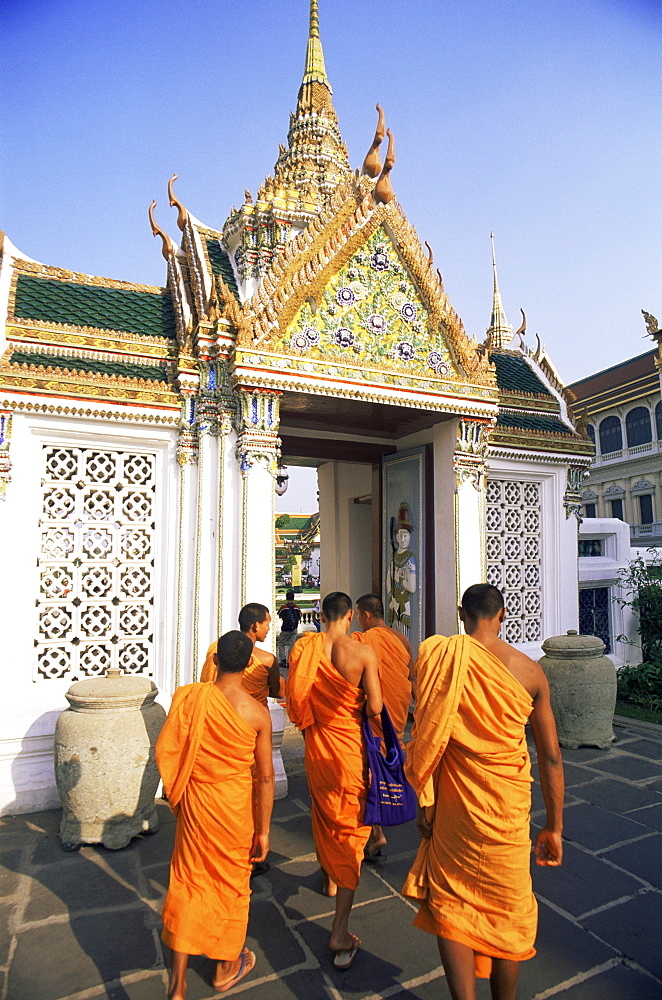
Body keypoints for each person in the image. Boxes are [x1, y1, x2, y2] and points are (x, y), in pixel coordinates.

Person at [402, 584, 564, 1000]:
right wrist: (555, 827)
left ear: (462, 613)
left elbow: (429, 737)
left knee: (452, 900)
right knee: (508, 908)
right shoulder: (530, 672)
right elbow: (551, 759)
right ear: (503, 615)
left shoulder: (440, 657)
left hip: (456, 808)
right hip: (506, 813)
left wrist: (426, 803)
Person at [156, 631, 274, 1000]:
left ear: (216, 660)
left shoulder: (191, 697)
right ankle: (225, 966)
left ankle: (178, 983)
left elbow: (168, 748)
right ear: (250, 664)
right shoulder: (256, 713)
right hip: (233, 809)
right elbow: (266, 776)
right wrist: (265, 830)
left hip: (196, 804)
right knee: (232, 886)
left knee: (188, 882)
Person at [286, 591, 382, 970]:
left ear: (321, 615)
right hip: (347, 748)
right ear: (351, 617)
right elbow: (374, 706)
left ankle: (329, 876)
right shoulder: (361, 653)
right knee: (349, 828)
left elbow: (296, 693)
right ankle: (340, 929)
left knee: (325, 812)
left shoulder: (305, 649)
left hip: (318, 746)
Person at [353, 592, 414, 860]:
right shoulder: (402, 640)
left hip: (377, 711)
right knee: (387, 759)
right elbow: (407, 675)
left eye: (357, 615)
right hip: (398, 711)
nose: (356, 620)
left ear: (366, 615)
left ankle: (376, 830)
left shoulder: (363, 642)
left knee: (370, 766)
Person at [200, 602, 284, 703]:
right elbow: (279, 692)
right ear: (256, 626)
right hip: (251, 714)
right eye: (267, 624)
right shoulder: (266, 659)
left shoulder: (216, 647)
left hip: (215, 709)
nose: (269, 629)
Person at [386, 503, 417, 637]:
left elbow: (412, 587)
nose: (403, 539)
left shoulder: (409, 559)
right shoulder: (394, 557)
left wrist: (399, 579)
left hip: (404, 603)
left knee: (403, 638)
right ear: (397, 537)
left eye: (406, 535)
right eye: (400, 535)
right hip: (394, 602)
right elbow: (388, 581)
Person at [277, 589, 302, 669]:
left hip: (285, 628)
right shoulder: (297, 608)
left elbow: (279, 615)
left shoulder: (283, 607)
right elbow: (300, 616)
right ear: (293, 598)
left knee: (281, 643)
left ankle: (283, 659)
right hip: (294, 628)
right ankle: (290, 659)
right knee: (292, 644)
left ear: (286, 598)